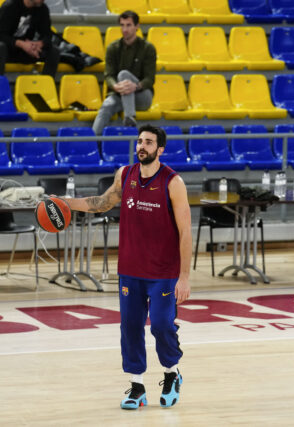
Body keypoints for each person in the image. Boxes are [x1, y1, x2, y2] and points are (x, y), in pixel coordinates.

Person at [63, 124, 191, 409]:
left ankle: (172, 373)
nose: (141, 146)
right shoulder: (125, 174)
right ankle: (137, 387)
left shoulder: (173, 182)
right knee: (130, 327)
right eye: (139, 141)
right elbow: (100, 203)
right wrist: (64, 203)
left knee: (160, 325)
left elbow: (185, 232)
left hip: (163, 272)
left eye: (148, 142)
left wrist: (184, 277)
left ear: (160, 149)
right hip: (130, 269)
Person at [92, 10, 156, 136]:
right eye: (122, 25)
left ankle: (129, 116)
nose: (124, 29)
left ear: (137, 27)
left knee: (123, 75)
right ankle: (93, 143)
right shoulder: (112, 48)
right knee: (107, 105)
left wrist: (136, 86)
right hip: (119, 93)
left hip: (142, 95)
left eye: (128, 25)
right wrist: (116, 86)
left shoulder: (148, 48)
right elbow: (109, 75)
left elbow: (150, 79)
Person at [0, 0, 60, 77]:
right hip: (1, 48)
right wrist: (21, 44)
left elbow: (47, 35)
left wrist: (39, 44)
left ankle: (46, 86)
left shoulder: (42, 9)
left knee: (54, 51)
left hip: (24, 49)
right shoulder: (10, 6)